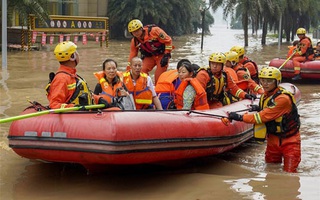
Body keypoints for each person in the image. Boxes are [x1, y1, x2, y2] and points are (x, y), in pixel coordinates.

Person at [228, 67, 301, 173]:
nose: (265, 84)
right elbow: (267, 109)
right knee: (270, 169)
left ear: (277, 82)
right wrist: (257, 108)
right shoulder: (266, 95)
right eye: (262, 80)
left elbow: (261, 117)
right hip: (272, 139)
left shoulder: (283, 99)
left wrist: (240, 117)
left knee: (290, 173)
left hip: (289, 141)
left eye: (269, 81)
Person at [46, 41, 108, 109]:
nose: (78, 55)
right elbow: (54, 104)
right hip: (73, 116)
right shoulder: (61, 78)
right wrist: (75, 107)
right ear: (72, 56)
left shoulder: (72, 75)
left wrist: (98, 99)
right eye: (76, 52)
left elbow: (83, 95)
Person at [127, 19, 173, 84]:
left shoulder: (155, 31)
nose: (136, 33)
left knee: (159, 76)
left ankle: (158, 89)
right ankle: (146, 86)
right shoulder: (135, 41)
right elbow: (133, 54)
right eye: (133, 32)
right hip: (149, 56)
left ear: (141, 28)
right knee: (141, 70)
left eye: (137, 30)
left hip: (161, 55)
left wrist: (166, 54)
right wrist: (128, 68)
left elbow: (168, 41)